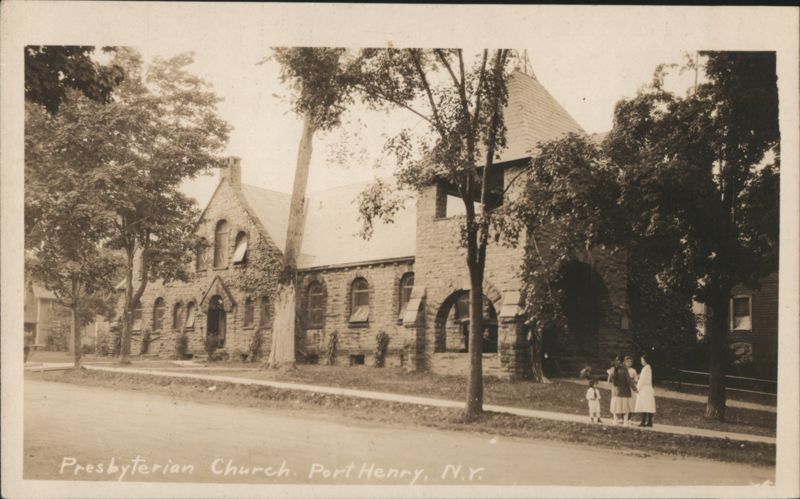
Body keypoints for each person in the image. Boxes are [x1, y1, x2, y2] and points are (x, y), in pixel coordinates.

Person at [609, 355, 637, 424]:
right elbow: (629, 380)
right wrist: (635, 389)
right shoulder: (624, 369)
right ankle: (625, 422)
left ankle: (615, 421)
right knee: (625, 408)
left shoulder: (613, 369)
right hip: (625, 392)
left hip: (616, 392)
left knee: (615, 407)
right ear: (623, 362)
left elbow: (611, 381)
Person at [635, 353, 656, 427]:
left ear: (645, 360)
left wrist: (637, 389)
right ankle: (649, 422)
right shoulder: (649, 367)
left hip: (644, 389)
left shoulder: (645, 368)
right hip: (648, 389)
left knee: (644, 405)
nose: (641, 361)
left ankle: (643, 422)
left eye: (642, 360)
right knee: (649, 405)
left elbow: (642, 380)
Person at [624, 355, 639, 424]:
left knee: (631, 403)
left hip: (630, 388)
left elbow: (636, 380)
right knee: (623, 402)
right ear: (624, 362)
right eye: (627, 361)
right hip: (624, 388)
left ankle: (629, 418)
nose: (629, 363)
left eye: (630, 362)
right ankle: (622, 417)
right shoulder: (622, 369)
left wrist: (632, 381)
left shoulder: (633, 370)